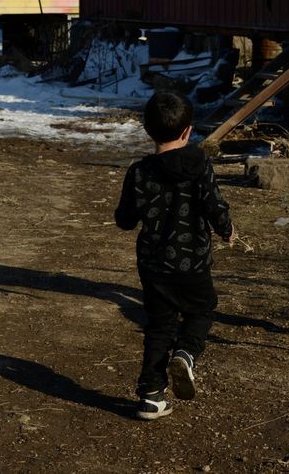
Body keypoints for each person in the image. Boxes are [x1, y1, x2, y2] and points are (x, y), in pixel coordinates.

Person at [115, 90, 235, 420]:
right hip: (193, 262)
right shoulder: (200, 166)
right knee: (202, 309)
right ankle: (186, 352)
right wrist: (227, 229)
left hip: (154, 266)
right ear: (188, 131)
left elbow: (124, 219)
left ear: (146, 130)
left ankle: (152, 395)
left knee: (159, 325)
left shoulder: (139, 172)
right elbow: (215, 205)